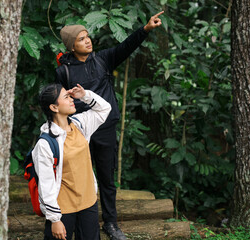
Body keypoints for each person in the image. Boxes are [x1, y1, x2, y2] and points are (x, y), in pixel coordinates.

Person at [54, 11, 164, 240]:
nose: (88, 40)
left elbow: (126, 46)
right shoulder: (63, 71)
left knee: (106, 177)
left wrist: (145, 29)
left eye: (87, 36)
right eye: (81, 39)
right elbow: (59, 102)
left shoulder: (103, 58)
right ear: (72, 46)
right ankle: (78, 221)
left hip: (105, 128)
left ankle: (111, 223)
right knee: (78, 177)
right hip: (79, 130)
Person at [33, 83, 111, 240]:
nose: (71, 99)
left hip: (88, 202)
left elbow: (105, 108)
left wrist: (84, 95)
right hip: (63, 209)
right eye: (66, 97)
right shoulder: (45, 144)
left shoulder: (80, 124)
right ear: (54, 108)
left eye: (70, 96)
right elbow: (45, 185)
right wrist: (55, 219)